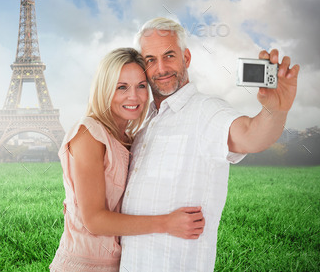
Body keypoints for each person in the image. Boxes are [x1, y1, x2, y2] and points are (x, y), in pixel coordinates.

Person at [119, 17, 300, 272]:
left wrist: (276, 111)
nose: (161, 68)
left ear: (187, 58)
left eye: (169, 55)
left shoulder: (205, 110)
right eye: (150, 60)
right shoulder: (143, 124)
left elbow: (250, 135)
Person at [50, 48, 206, 272]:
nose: (134, 96)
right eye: (122, 87)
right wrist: (167, 223)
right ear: (104, 89)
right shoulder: (88, 133)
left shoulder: (130, 140)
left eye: (141, 86)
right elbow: (94, 220)